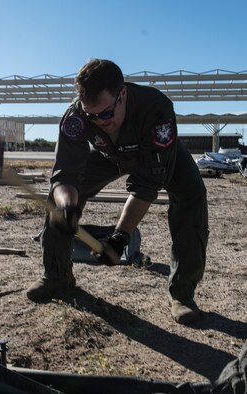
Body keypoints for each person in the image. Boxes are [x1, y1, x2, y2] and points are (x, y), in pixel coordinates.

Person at [27, 59, 208, 325]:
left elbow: (146, 186)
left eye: (106, 114)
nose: (99, 122)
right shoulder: (76, 118)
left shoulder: (157, 110)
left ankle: (182, 294)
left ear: (122, 94)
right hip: (109, 155)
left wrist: (120, 237)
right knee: (56, 200)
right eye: (92, 116)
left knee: (192, 197)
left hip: (155, 154)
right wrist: (67, 206)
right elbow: (65, 174)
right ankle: (57, 276)